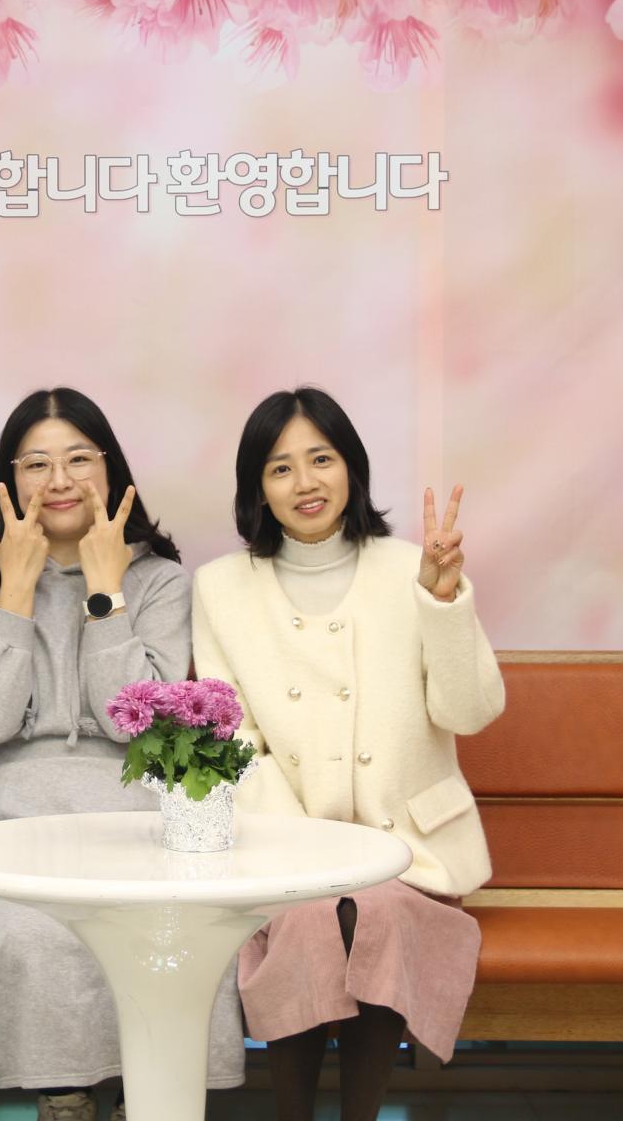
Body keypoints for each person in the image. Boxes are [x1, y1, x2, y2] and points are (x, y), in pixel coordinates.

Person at [0, 387, 246, 1121]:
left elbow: (134, 725)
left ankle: (146, 1096)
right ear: (9, 483)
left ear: (110, 469)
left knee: (167, 936)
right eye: (36, 464)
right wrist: (16, 591)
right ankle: (63, 1094)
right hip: (10, 823)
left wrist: (105, 590)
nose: (59, 481)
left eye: (77, 460)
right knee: (36, 939)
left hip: (135, 818)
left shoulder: (160, 581)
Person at [192, 386, 504, 1121]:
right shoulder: (219, 587)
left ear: (352, 468)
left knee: (378, 913)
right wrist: (304, 856)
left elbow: (470, 712)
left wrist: (443, 604)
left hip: (413, 850)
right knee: (307, 918)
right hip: (285, 852)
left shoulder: (414, 569)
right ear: (256, 489)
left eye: (321, 459)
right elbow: (234, 738)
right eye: (280, 468)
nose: (305, 482)